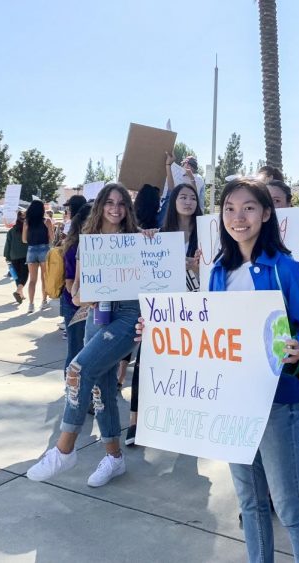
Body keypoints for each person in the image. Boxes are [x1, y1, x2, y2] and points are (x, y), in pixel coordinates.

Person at [207, 177, 299, 562]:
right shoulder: (217, 272)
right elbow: (207, 332)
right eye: (229, 208)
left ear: (266, 214)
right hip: (232, 402)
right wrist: (157, 332)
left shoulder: (287, 269)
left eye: (248, 208)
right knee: (250, 503)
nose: (238, 217)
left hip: (277, 401)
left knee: (289, 505)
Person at [27, 183, 142, 488]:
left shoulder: (138, 239)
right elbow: (75, 292)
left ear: (127, 210)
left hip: (128, 316)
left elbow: (161, 272)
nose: (115, 208)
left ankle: (64, 450)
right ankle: (114, 458)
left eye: (121, 204)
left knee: (77, 370)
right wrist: (84, 297)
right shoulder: (88, 243)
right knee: (100, 390)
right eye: (109, 203)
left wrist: (153, 241)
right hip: (96, 315)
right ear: (101, 206)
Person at [125, 182, 202, 447]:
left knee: (186, 367)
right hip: (160, 310)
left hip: (193, 310)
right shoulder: (158, 235)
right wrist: (145, 239)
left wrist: (196, 268)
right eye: (183, 196)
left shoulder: (207, 237)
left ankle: (181, 421)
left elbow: (212, 276)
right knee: (145, 362)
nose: (188, 201)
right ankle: (135, 421)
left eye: (193, 197)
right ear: (173, 201)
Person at [60, 203, 92, 368]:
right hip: (76, 305)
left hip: (90, 304)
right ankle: (70, 391)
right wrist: (81, 300)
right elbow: (70, 282)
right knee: (76, 352)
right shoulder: (74, 247)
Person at [23, 199, 54, 313]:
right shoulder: (47, 221)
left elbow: (24, 239)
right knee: (44, 278)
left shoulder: (27, 222)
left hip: (31, 250)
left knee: (32, 280)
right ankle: (44, 301)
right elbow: (52, 238)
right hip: (44, 249)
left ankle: (31, 304)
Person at [4, 210, 29, 305]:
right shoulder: (26, 229)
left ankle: (21, 294)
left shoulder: (11, 231)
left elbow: (8, 244)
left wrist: (7, 257)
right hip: (25, 255)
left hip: (13, 256)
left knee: (17, 275)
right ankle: (19, 290)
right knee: (24, 274)